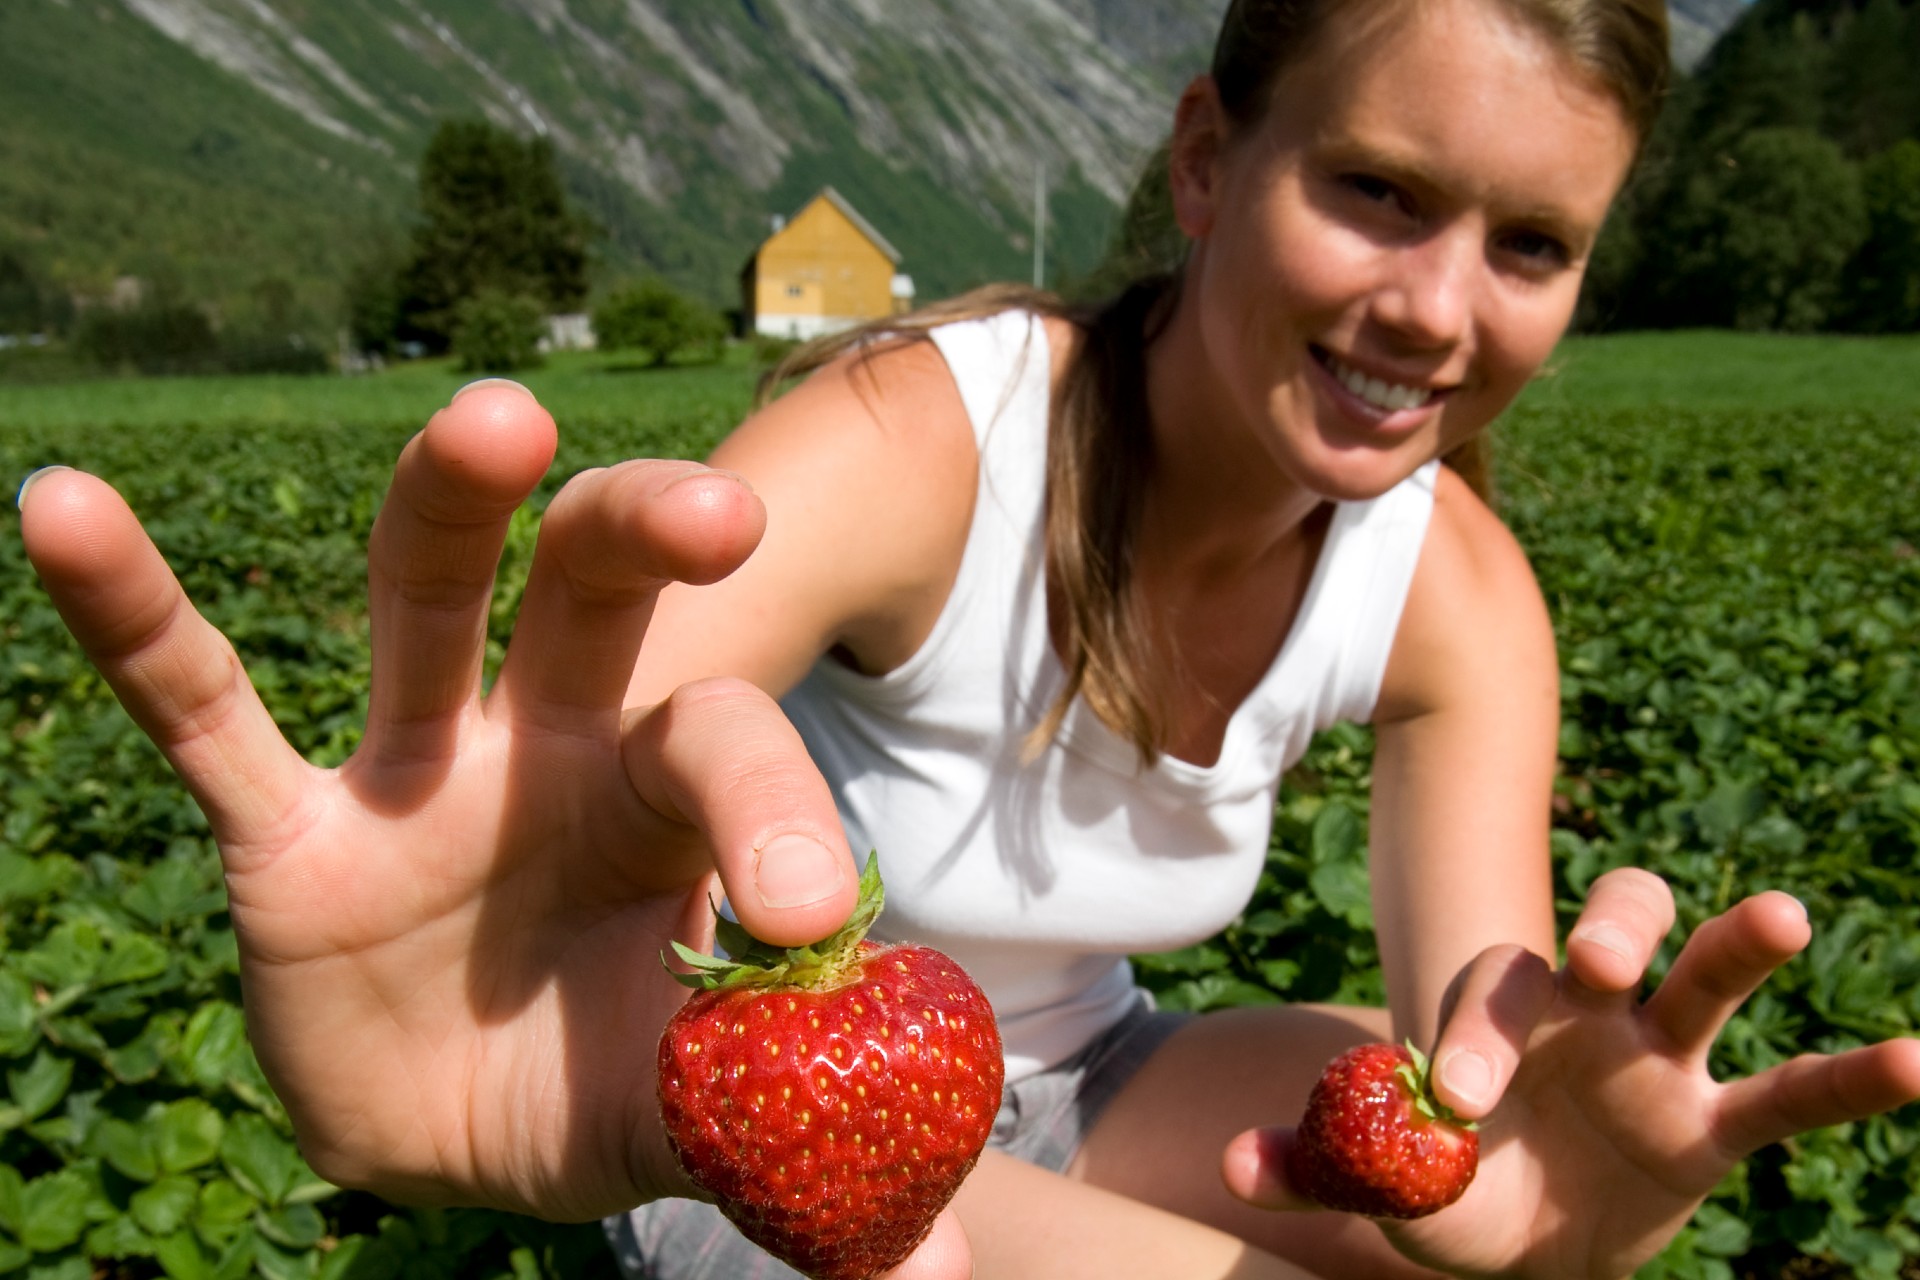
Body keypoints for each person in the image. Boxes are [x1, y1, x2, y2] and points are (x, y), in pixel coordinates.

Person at [20, 0, 1920, 1275]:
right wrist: (497, 935)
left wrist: (1535, 1184)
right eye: (1378, 192)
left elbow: (1468, 1049)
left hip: (1098, 1071)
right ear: (1205, 165)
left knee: (1417, 1165)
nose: (1437, 308)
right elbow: (607, 752)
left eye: (1530, 244)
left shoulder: (1462, 591)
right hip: (759, 1113)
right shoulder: (929, 440)